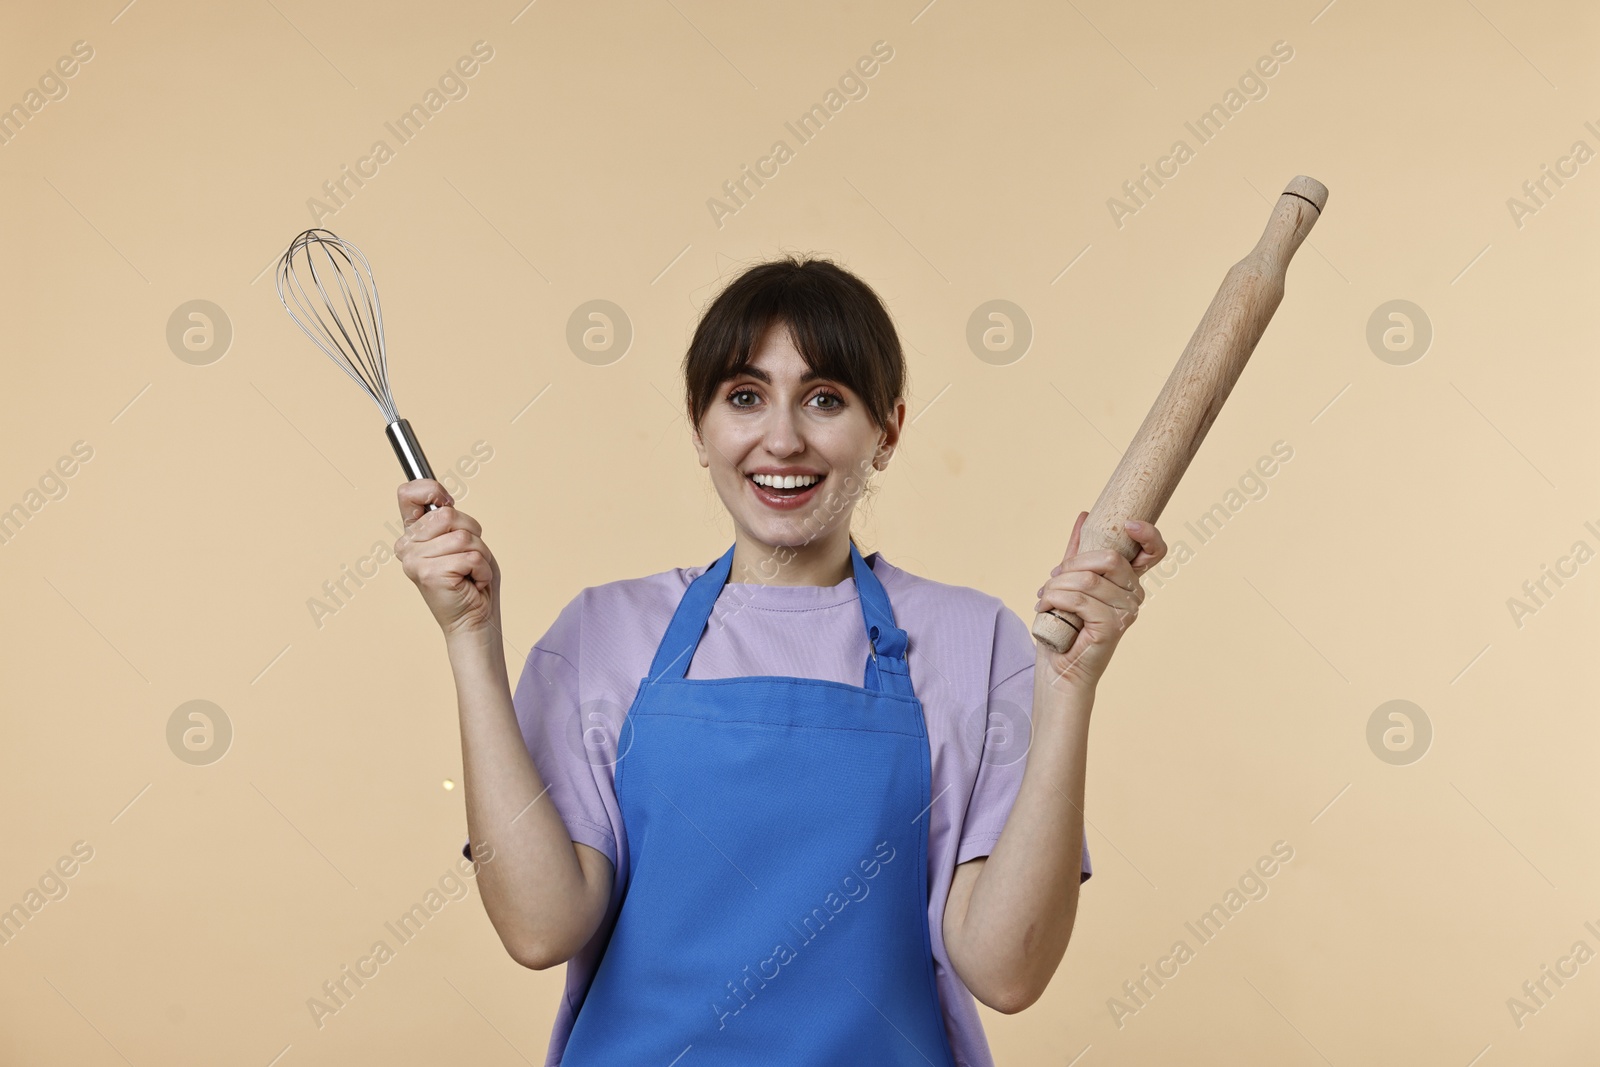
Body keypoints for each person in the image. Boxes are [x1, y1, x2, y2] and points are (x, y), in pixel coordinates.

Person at [394, 255, 1167, 1066]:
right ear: (699, 427)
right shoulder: (600, 635)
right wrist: (471, 641)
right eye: (745, 396)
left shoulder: (980, 643)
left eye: (825, 398)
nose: (784, 438)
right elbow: (538, 926)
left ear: (889, 430)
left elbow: (1006, 971)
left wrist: (1071, 688)